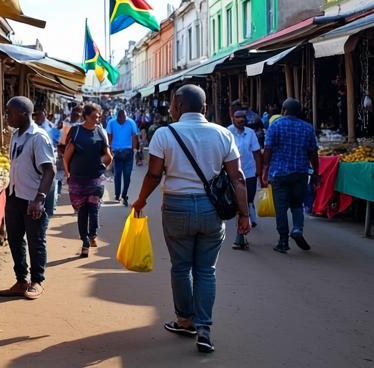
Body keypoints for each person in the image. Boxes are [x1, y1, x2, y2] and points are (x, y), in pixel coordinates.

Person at [131, 84, 250, 354]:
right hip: (211, 211)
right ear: (204, 107)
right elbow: (237, 178)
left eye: (173, 104)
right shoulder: (222, 134)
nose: (171, 109)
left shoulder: (164, 134)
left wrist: (140, 200)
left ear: (178, 106)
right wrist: (244, 214)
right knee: (206, 270)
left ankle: (186, 320)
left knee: (181, 267)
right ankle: (205, 328)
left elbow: (153, 175)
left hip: (176, 207)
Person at [0, 96, 56, 300]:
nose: (7, 117)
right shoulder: (15, 135)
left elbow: (49, 170)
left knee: (35, 240)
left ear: (23, 114)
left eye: (10, 113)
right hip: (14, 195)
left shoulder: (38, 137)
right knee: (14, 239)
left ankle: (37, 281)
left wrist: (39, 199)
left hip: (32, 199)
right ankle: (21, 280)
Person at [260, 98, 320, 254]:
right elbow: (313, 153)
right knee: (296, 204)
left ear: (283, 110)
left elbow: (268, 149)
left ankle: (283, 241)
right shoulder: (307, 128)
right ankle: (298, 229)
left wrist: (265, 168)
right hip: (300, 173)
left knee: (281, 209)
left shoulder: (276, 125)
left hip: (279, 173)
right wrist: (316, 173)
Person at [62, 103, 112, 257]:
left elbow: (108, 155)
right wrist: (68, 173)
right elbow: (67, 156)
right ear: (85, 116)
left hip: (95, 179)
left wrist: (102, 164)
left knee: (94, 208)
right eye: (94, 117)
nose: (97, 119)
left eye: (98, 117)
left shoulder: (100, 131)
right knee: (82, 212)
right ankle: (84, 241)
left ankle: (92, 235)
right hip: (77, 179)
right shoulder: (76, 131)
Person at [228, 108, 262, 249]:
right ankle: (240, 236)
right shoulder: (227, 132)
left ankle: (245, 226)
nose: (241, 119)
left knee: (247, 201)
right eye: (238, 117)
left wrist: (259, 172)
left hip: (249, 172)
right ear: (232, 118)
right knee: (239, 203)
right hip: (232, 174)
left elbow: (256, 152)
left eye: (243, 117)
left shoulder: (251, 133)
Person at [106, 109, 140, 205]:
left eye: (123, 118)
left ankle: (124, 195)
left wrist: (135, 150)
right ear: (117, 117)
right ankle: (117, 195)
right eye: (120, 118)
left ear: (126, 116)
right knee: (117, 174)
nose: (122, 121)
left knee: (127, 175)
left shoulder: (131, 122)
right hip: (116, 152)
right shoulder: (111, 122)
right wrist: (109, 149)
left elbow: (134, 137)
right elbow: (109, 136)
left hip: (128, 152)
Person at [57, 106, 83, 194]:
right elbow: (61, 141)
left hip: (75, 153)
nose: (76, 116)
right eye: (74, 114)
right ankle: (59, 192)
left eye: (78, 115)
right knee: (61, 174)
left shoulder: (81, 126)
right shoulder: (65, 124)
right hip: (65, 151)